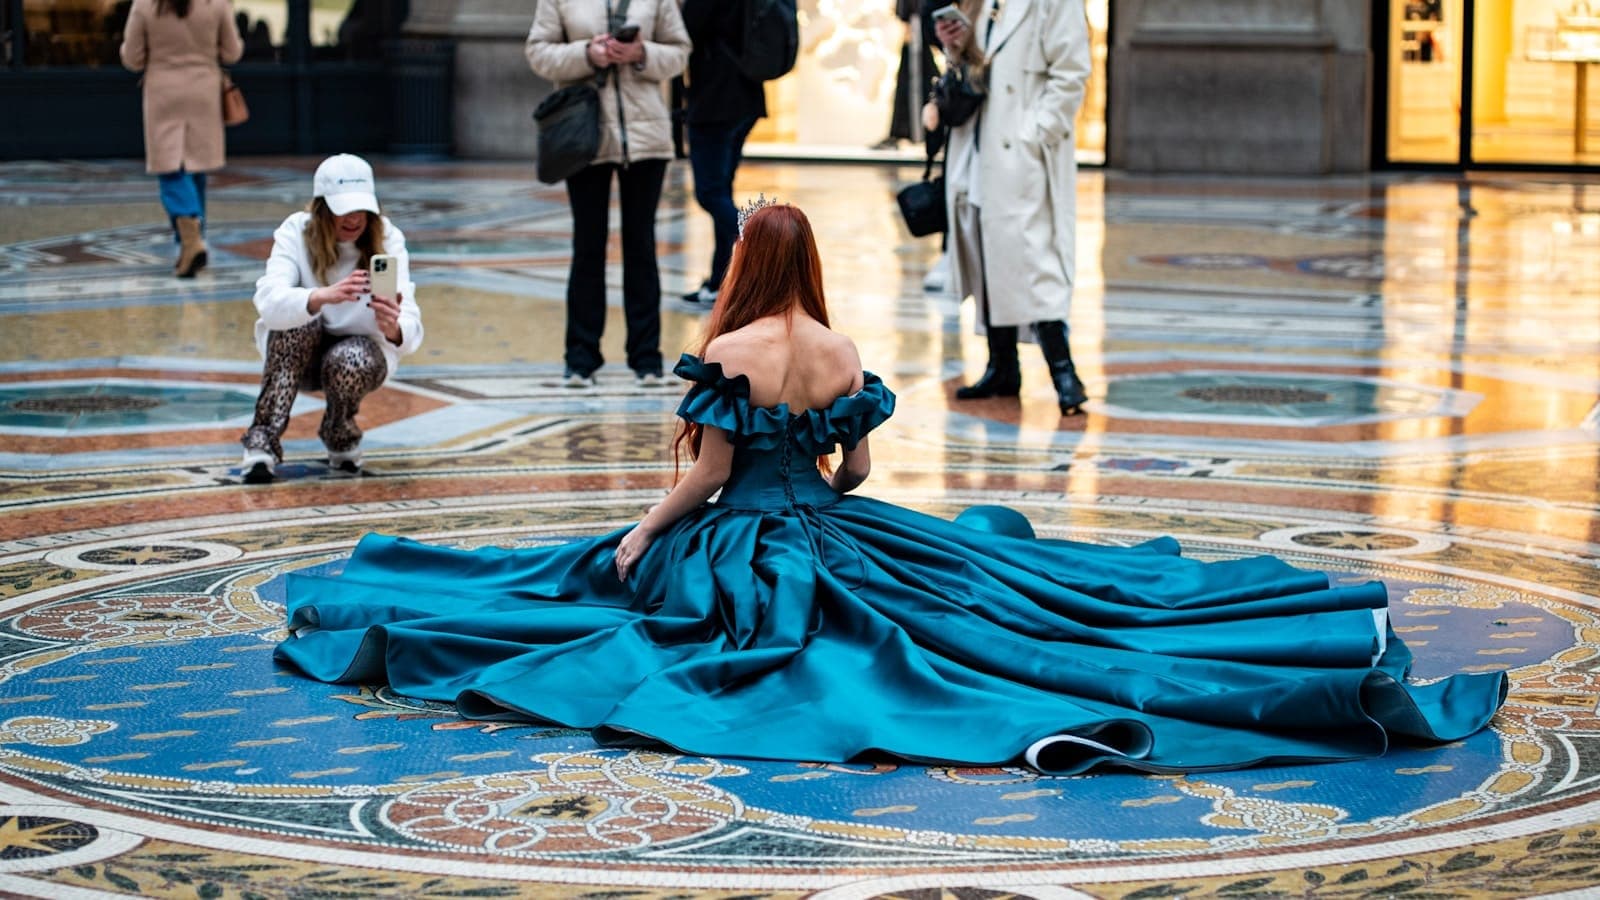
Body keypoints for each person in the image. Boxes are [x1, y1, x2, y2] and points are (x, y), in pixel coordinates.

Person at [275, 201, 1506, 775]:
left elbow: (708, 478)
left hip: (745, 541)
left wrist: (640, 538)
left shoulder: (731, 354)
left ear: (745, 263)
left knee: (562, 603)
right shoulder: (841, 352)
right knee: (1036, 617)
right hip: (832, 527)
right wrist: (821, 476)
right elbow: (856, 468)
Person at [525, 0, 691, 388]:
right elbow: (538, 51)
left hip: (647, 139)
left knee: (641, 246)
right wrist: (588, 54)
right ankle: (581, 360)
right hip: (584, 137)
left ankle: (646, 359)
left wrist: (640, 53)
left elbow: (681, 53)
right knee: (588, 246)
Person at [937, 0, 1089, 416]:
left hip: (1021, 152)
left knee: (1034, 258)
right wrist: (954, 47)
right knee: (990, 254)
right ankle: (1002, 366)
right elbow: (979, 67)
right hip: (980, 145)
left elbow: (1072, 71)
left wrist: (1038, 132)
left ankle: (1064, 373)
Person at [238, 154, 424, 485]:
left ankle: (340, 433)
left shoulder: (387, 238)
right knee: (296, 323)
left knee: (351, 356)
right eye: (343, 210)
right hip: (298, 355)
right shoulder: (296, 231)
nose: (354, 219)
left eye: (362, 210)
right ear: (323, 209)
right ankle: (262, 441)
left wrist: (393, 328)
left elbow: (409, 320)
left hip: (357, 356)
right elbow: (267, 301)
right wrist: (322, 296)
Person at [119, 0, 243, 278]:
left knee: (170, 167)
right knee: (196, 166)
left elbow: (132, 57)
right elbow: (232, 52)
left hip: (163, 91)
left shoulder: (146, 4)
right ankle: (193, 241)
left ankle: (189, 241)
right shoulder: (216, 3)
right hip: (204, 89)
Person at [678, 0, 767, 309]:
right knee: (721, 191)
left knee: (710, 193)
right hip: (745, 94)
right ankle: (720, 281)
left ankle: (759, 242)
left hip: (716, 98)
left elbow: (685, 32)